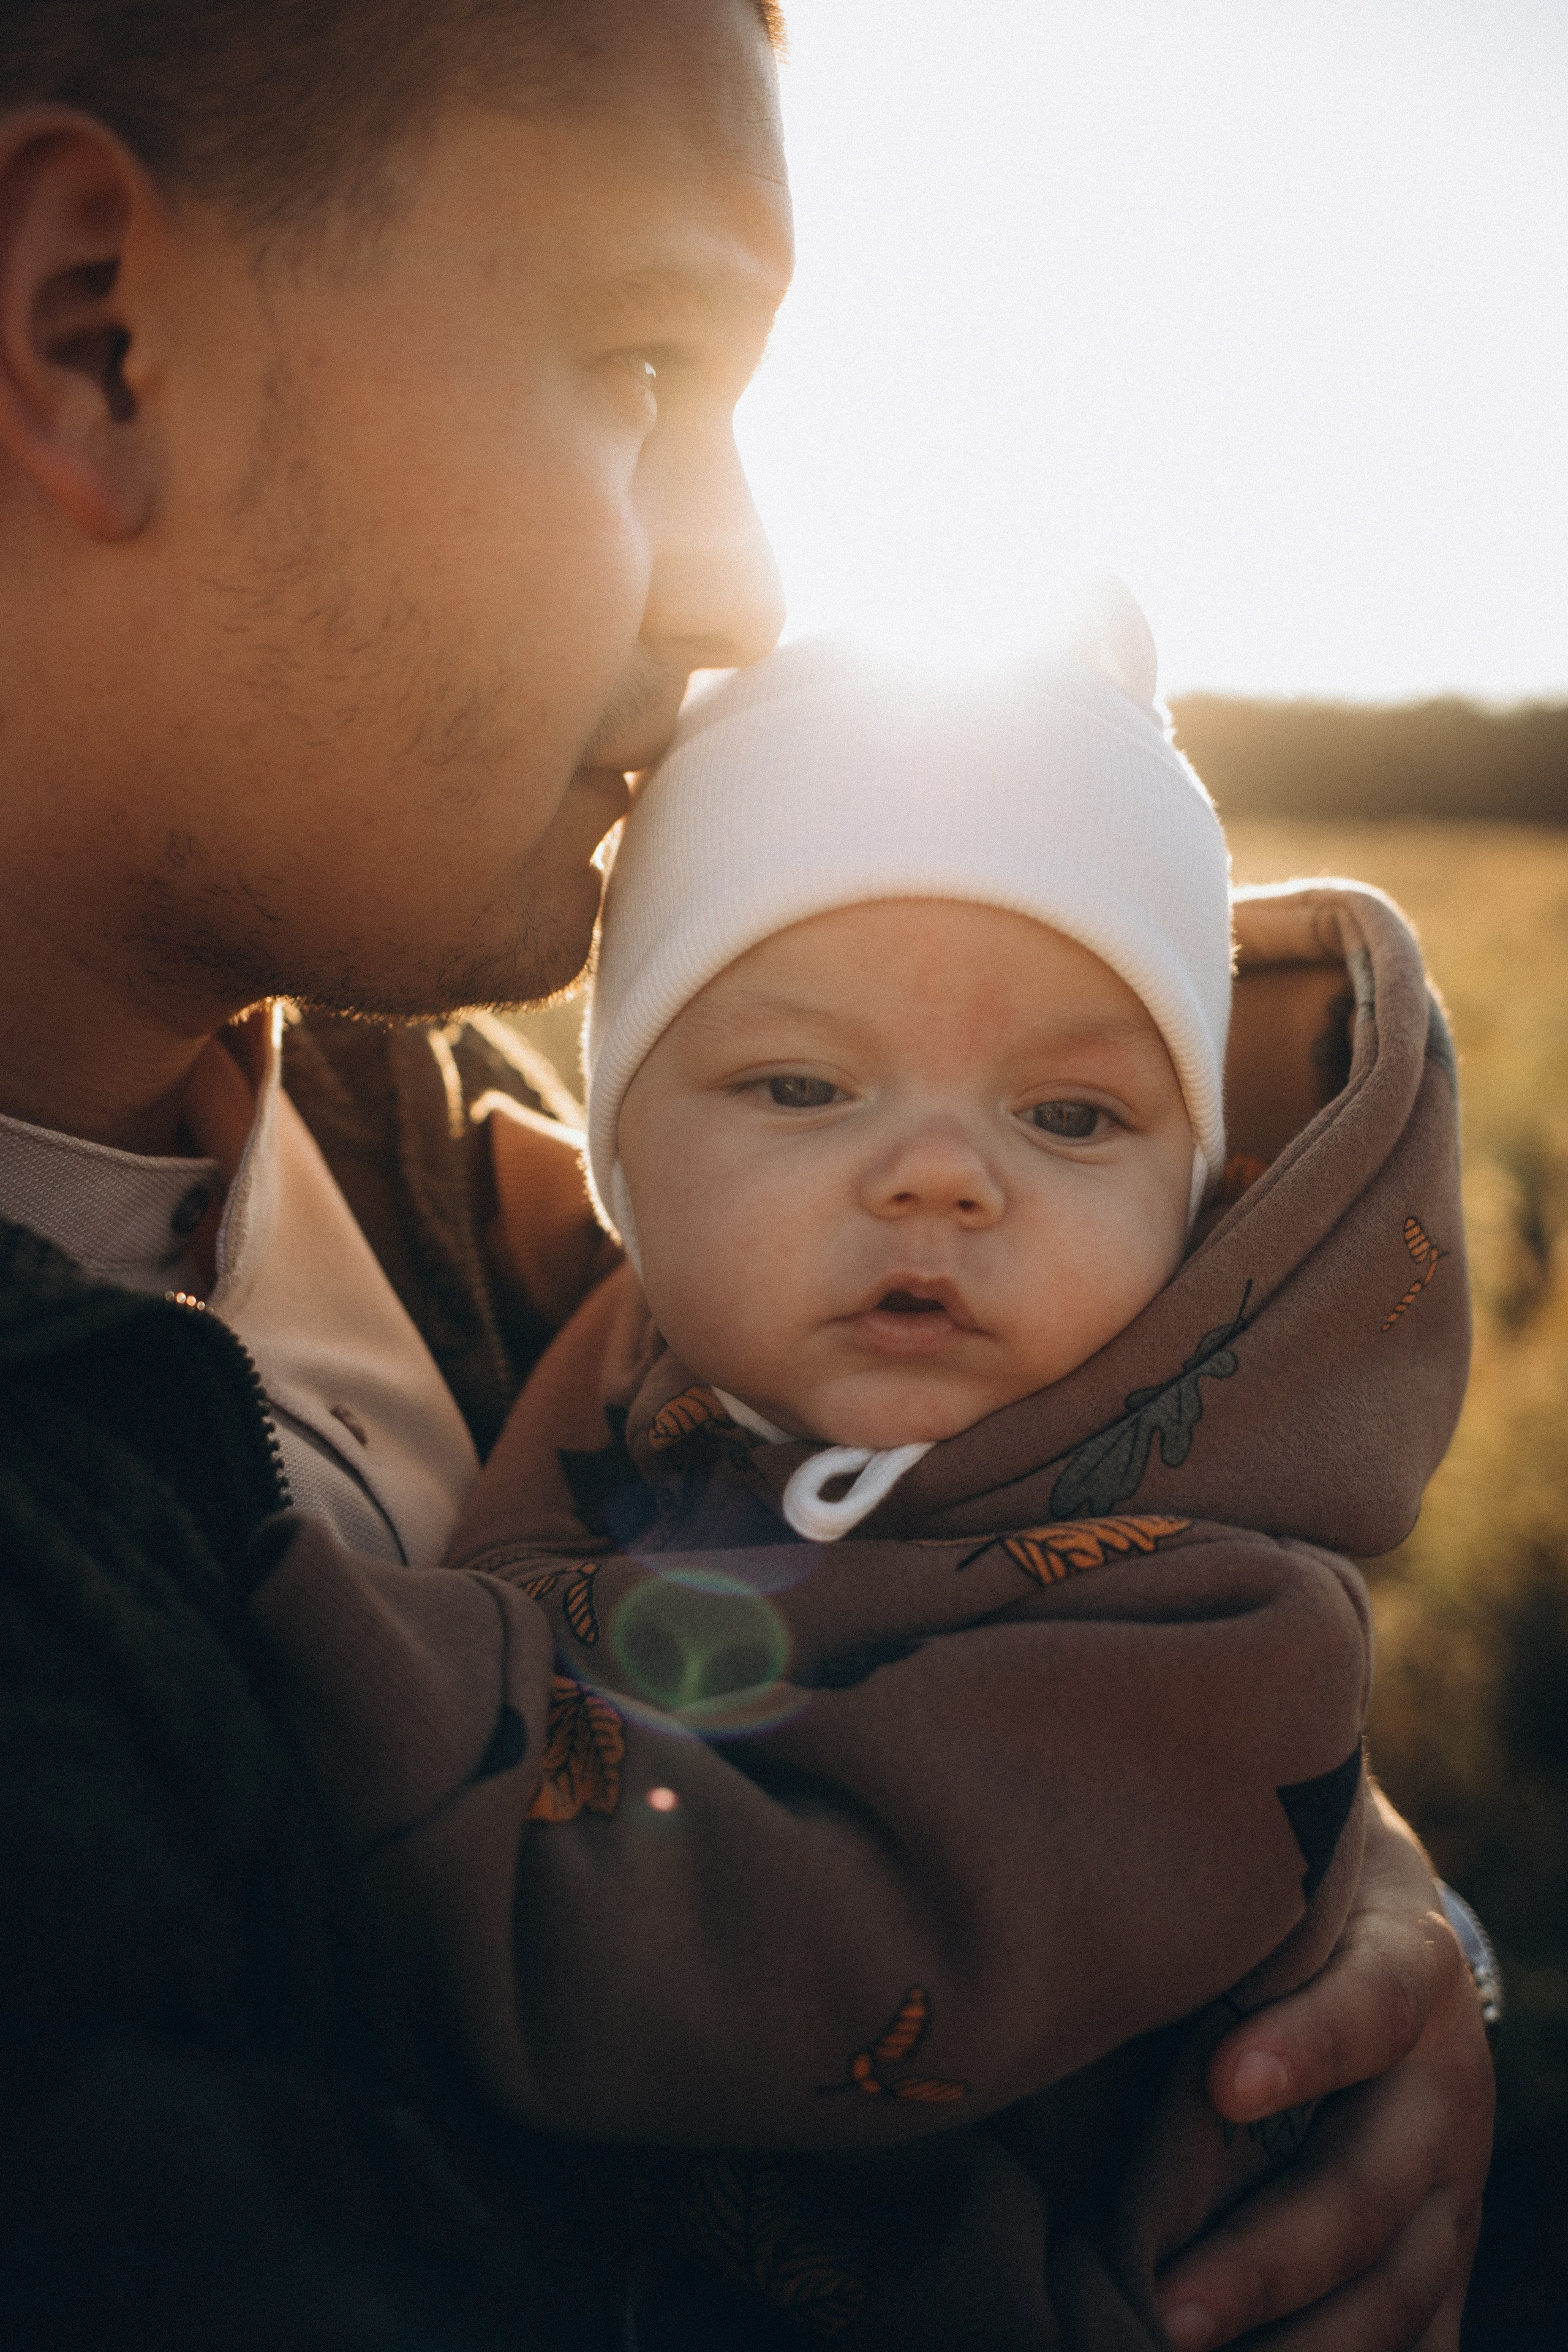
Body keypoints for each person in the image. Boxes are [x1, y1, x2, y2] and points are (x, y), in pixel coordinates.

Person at [0, 3, 1491, 2346]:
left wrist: (1333, 1907)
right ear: (98, 336)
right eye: (639, 370)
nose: (738, 589)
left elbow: (979, 1597)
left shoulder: (420, 1136)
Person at [254, 631, 1458, 2346]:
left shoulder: (1219, 1618)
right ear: (619, 1158)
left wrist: (338, 1646)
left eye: (1070, 1116)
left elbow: (785, 1965)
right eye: (802, 1087)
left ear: (1202, 1207)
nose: (939, 1177)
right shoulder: (644, 1354)